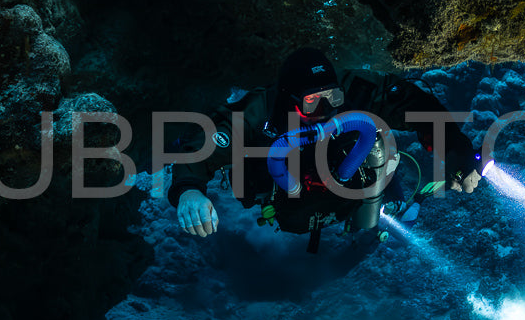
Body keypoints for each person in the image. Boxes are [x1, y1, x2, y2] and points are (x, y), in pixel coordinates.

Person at [168, 48, 483, 251]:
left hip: (351, 188)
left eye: (332, 97)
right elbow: (203, 144)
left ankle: (380, 222)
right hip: (289, 200)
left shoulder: (355, 91)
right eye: (311, 101)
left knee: (375, 144)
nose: (325, 108)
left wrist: (458, 154)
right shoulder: (257, 111)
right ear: (290, 98)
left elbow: (418, 105)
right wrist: (189, 191)